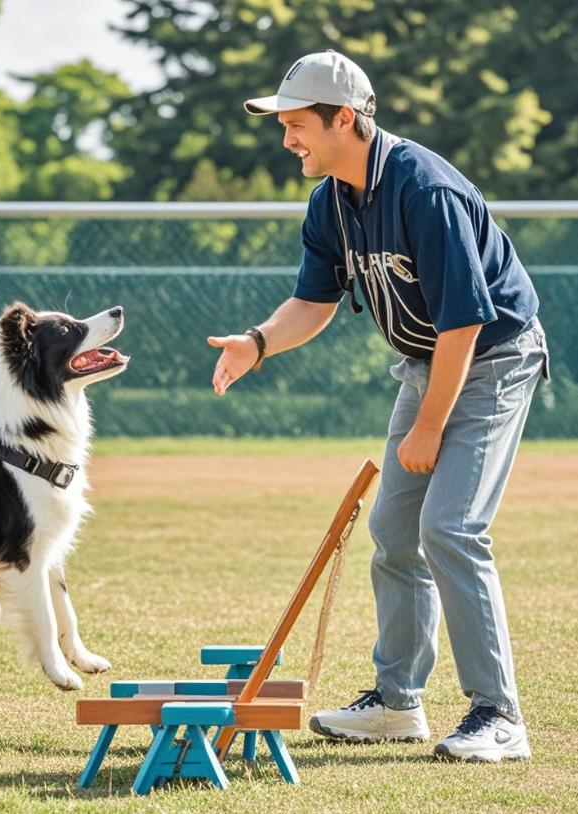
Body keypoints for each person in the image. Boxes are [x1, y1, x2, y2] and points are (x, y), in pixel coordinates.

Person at [208, 50, 549, 762]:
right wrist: (256, 343)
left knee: (449, 528)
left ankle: (499, 715)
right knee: (395, 533)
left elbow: (465, 322)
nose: (286, 139)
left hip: (492, 357)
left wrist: (428, 427)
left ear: (345, 120)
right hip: (430, 361)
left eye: (297, 124)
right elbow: (312, 301)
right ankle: (397, 705)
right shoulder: (330, 198)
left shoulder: (424, 191)